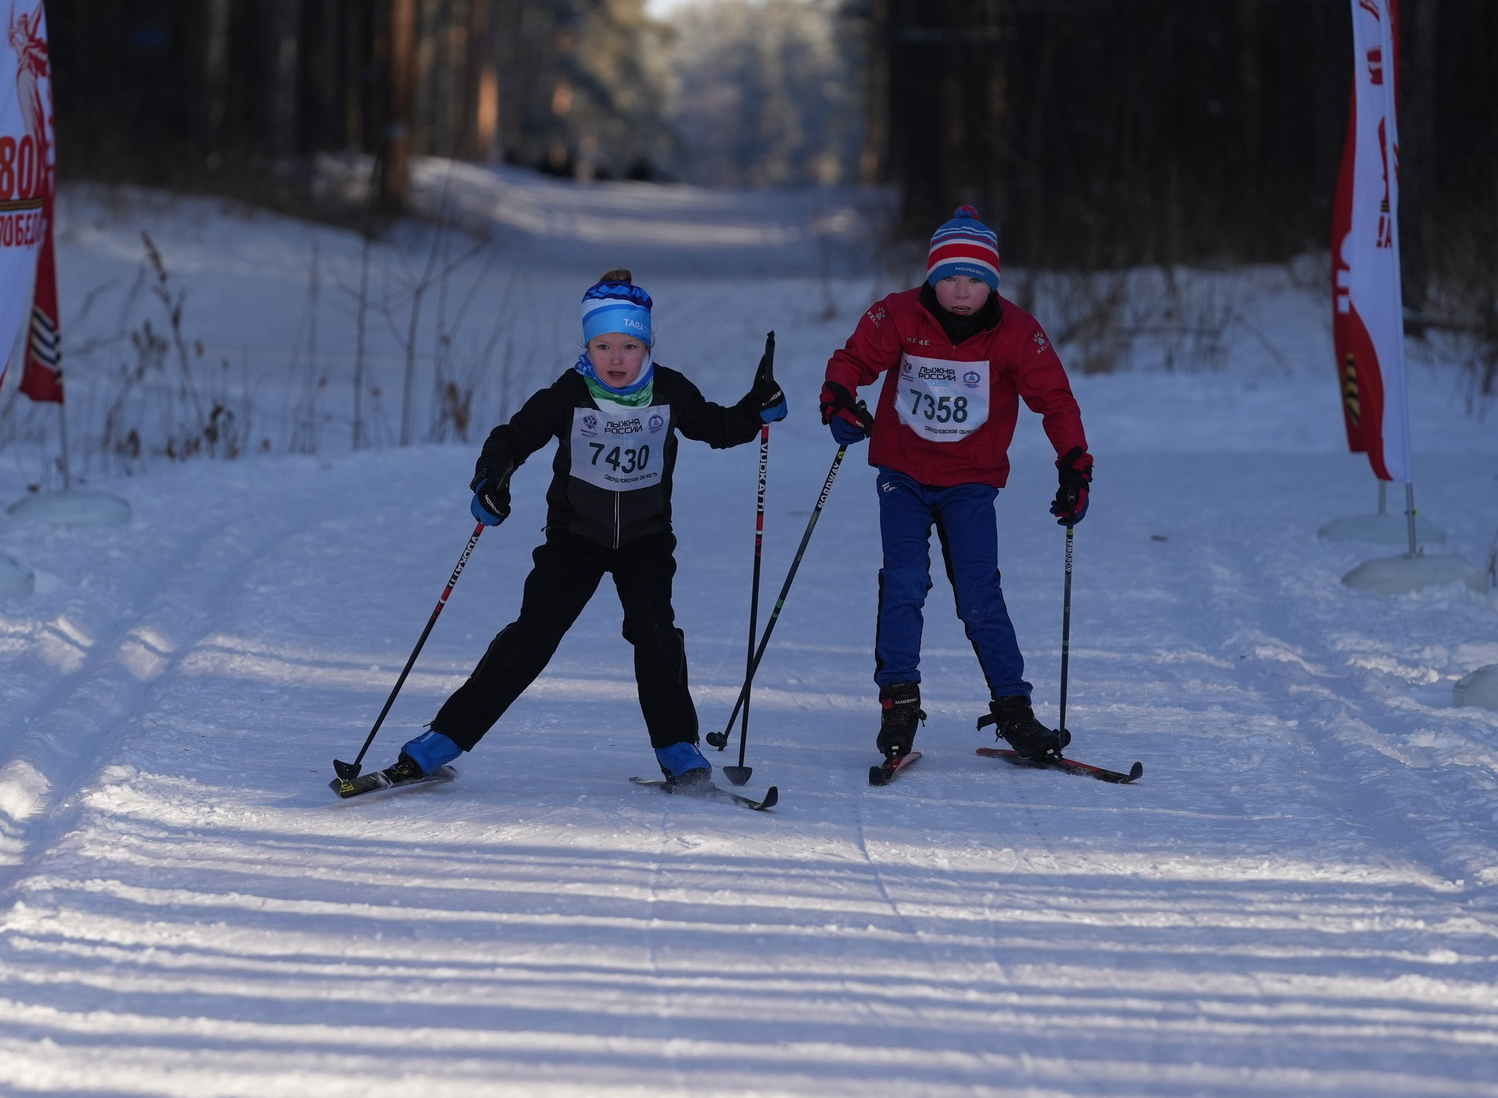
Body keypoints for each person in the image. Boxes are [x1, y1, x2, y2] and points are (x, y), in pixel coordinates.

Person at [381, 271, 785, 786]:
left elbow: (719, 428)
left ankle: (677, 745)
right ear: (587, 346)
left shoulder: (670, 391)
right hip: (574, 539)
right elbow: (510, 438)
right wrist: (491, 479)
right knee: (532, 636)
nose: (616, 360)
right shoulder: (568, 394)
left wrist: (756, 407)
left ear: (647, 346)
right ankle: (443, 739)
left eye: (629, 346)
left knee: (655, 632)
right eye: (603, 346)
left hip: (646, 539)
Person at [820, 206, 1092, 768]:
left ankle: (1014, 710)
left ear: (992, 283)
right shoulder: (897, 313)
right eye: (949, 279)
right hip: (904, 473)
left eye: (974, 280)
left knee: (979, 594)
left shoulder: (1018, 331)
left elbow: (1054, 399)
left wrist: (1073, 466)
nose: (961, 292)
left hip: (971, 480)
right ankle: (899, 703)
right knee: (904, 581)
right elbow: (851, 362)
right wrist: (839, 402)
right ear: (932, 279)